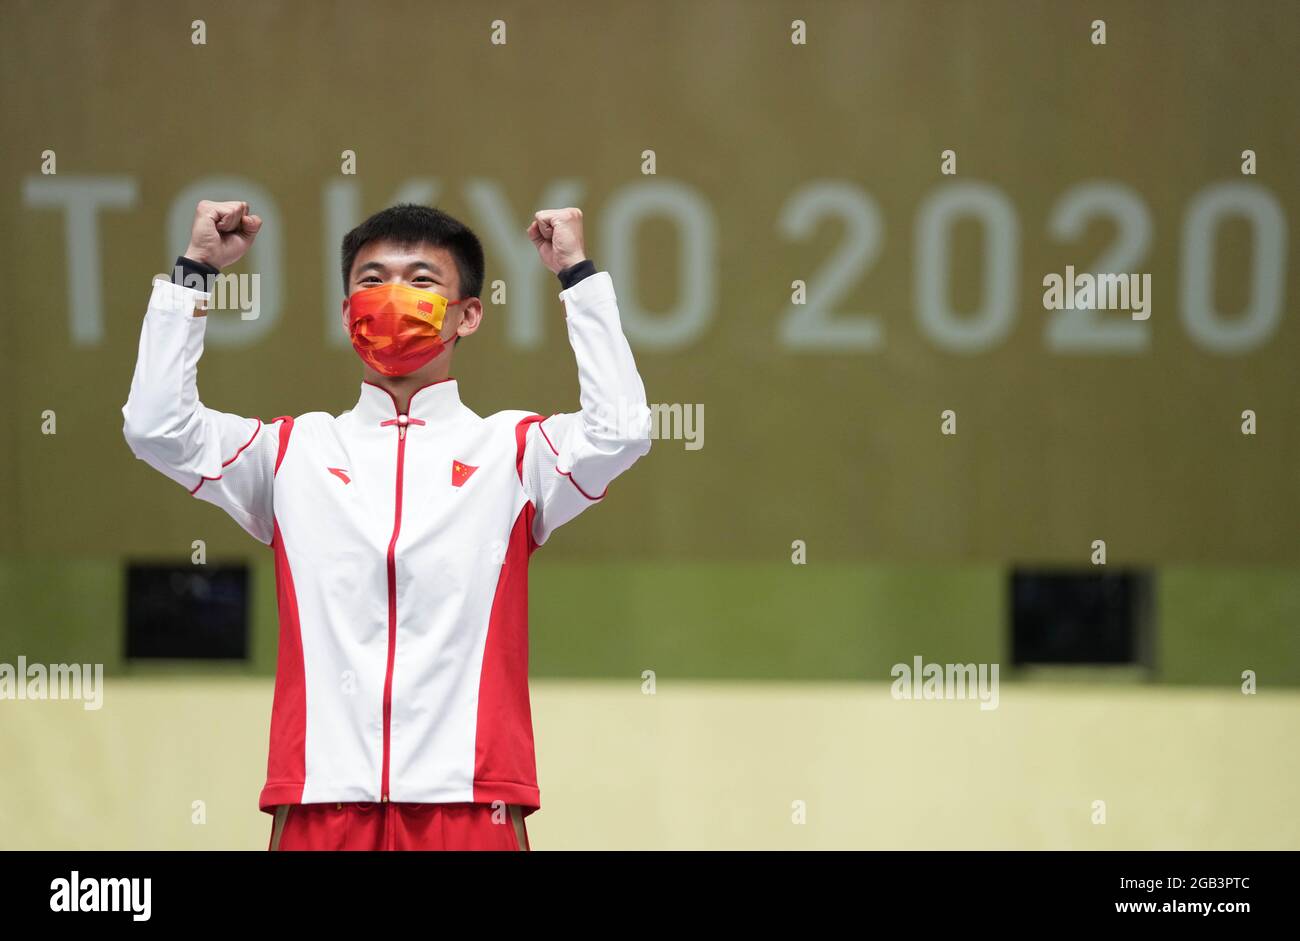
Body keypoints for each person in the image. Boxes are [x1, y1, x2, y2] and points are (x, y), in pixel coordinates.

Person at [122, 200, 652, 850]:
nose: (393, 297)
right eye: (371, 281)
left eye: (422, 280)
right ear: (347, 315)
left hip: (471, 802)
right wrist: (197, 270)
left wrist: (577, 274)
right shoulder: (292, 453)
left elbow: (621, 431)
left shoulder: (515, 454)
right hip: (321, 802)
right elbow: (155, 427)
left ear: (470, 314)